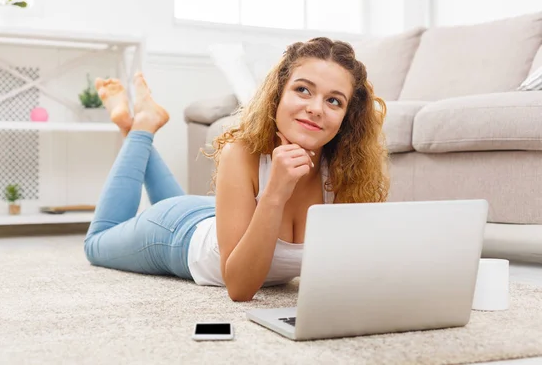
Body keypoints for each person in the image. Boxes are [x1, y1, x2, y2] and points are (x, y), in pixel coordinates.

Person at [84, 37, 389, 302]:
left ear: (347, 117)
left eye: (334, 100)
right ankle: (141, 127)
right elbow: (240, 288)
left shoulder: (345, 174)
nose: (316, 108)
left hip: (216, 217)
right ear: (278, 94)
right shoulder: (242, 154)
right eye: (303, 90)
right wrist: (274, 193)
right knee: (96, 244)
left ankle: (135, 124)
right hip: (176, 233)